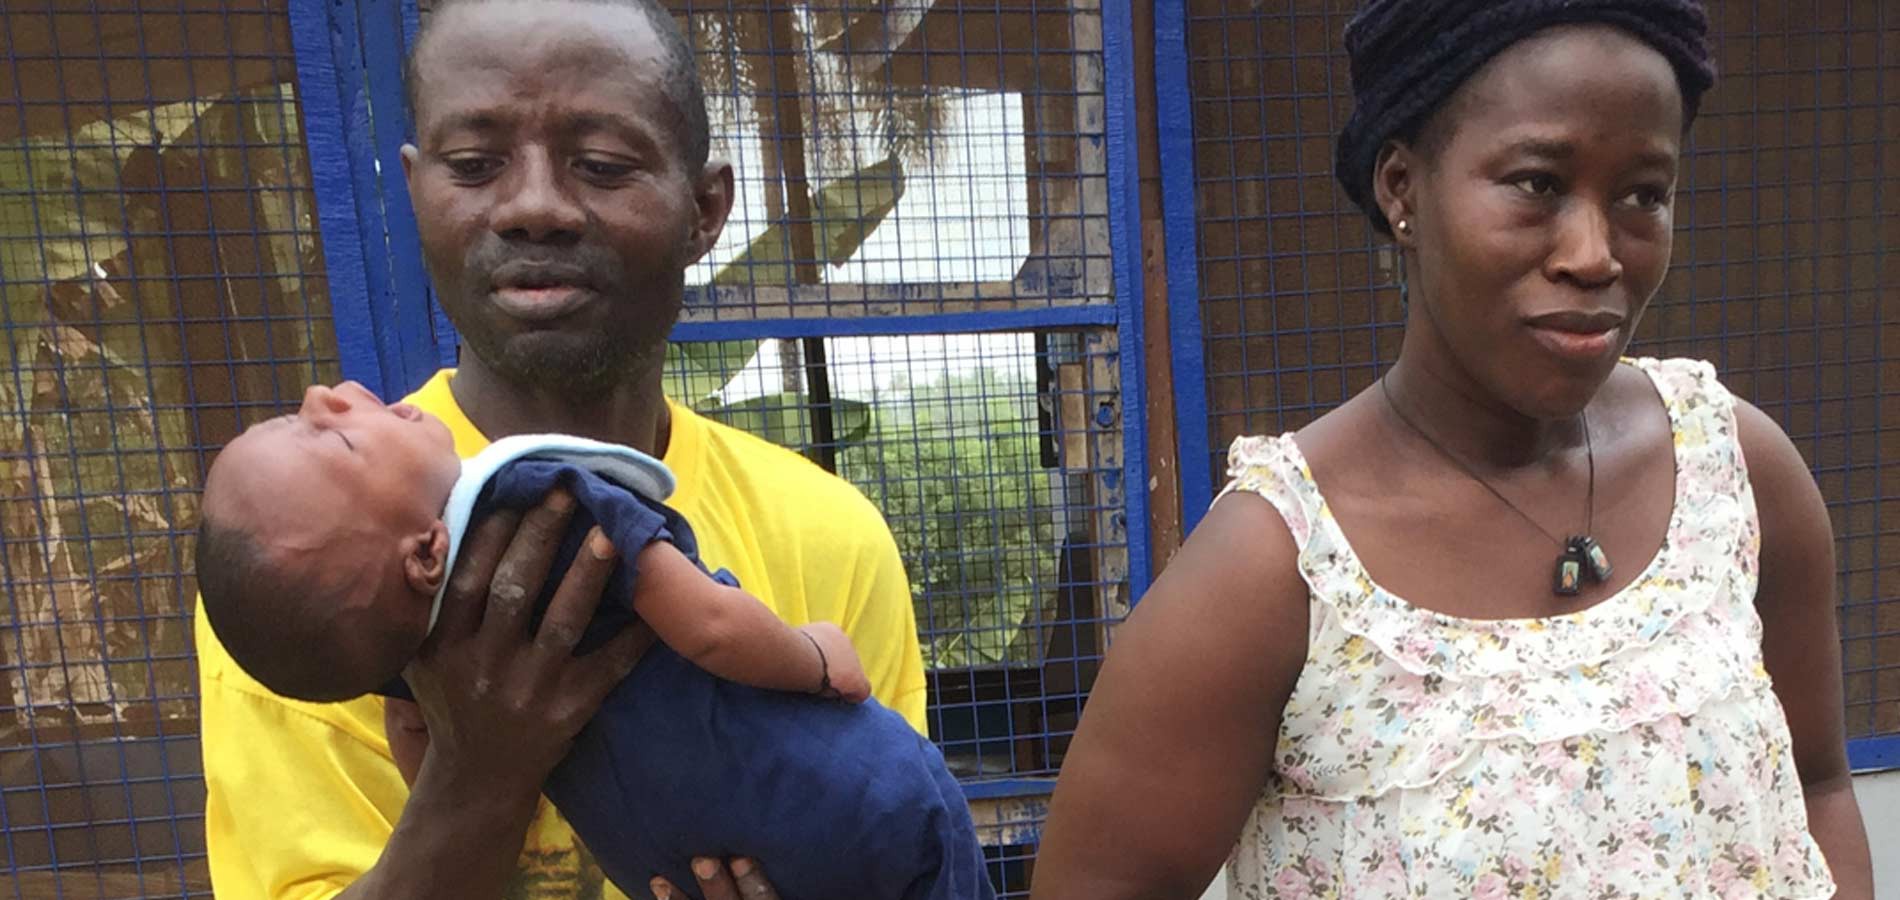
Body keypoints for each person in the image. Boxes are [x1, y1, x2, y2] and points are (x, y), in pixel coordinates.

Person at [1030, 1, 1876, 898]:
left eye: (1642, 195)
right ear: (1402, 188)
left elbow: (1817, 784)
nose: (1595, 254)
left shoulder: (1733, 473)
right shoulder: (1281, 568)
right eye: (1537, 184)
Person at [192, 0, 932, 897]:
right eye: (474, 165)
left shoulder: (827, 534)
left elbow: (893, 835)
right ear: (417, 192)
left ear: (704, 209)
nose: (534, 207)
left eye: (602, 165)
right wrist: (478, 771)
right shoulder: (320, 555)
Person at [194, 382, 993, 900]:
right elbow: (710, 626)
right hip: (876, 817)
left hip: (684, 860)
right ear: (426, 554)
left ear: (704, 206)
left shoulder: (379, 633)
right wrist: (816, 658)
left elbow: (412, 735)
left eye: (604, 173)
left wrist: (469, 767)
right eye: (332, 439)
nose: (322, 394)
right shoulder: (545, 491)